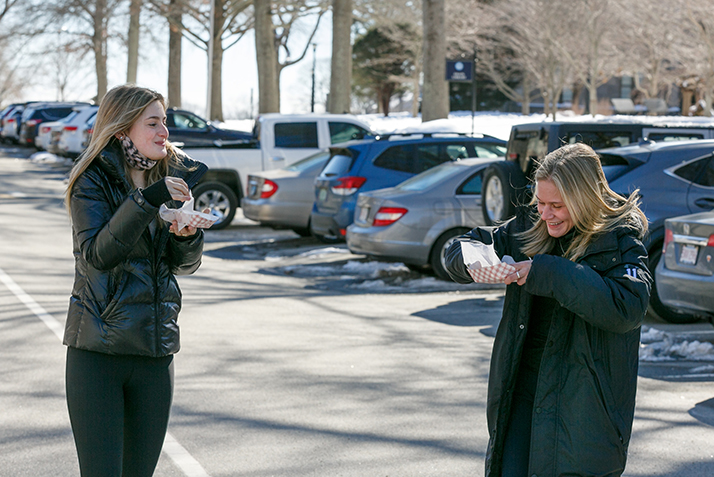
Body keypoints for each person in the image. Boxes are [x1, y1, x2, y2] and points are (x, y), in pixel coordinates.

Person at [445, 143, 652, 477]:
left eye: (557, 205)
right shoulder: (528, 227)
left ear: (584, 199)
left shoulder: (621, 240)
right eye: (540, 202)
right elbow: (461, 246)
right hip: (521, 395)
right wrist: (469, 262)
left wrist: (549, 273)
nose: (545, 213)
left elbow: (626, 307)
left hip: (583, 409)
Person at [63, 84, 208, 476]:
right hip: (98, 355)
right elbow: (98, 255)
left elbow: (183, 266)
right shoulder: (91, 181)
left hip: (155, 355)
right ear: (123, 129)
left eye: (165, 122)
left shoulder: (169, 179)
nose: (164, 132)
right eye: (153, 123)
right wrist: (146, 201)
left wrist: (187, 237)